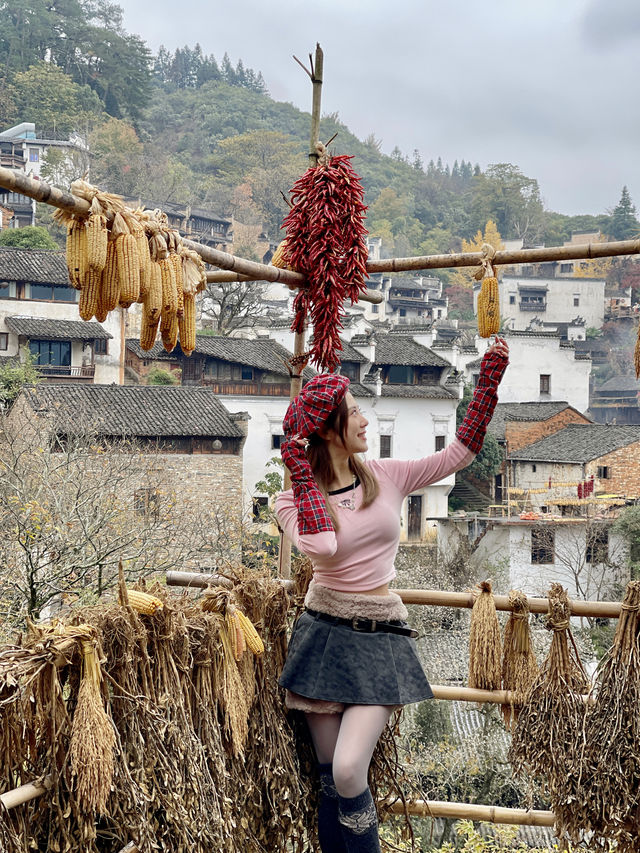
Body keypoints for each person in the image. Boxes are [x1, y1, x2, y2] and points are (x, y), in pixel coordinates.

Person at [275, 337, 509, 852]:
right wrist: (300, 471)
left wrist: (488, 377)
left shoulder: (389, 474)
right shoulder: (290, 499)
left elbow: (460, 453)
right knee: (327, 779)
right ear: (328, 430)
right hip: (324, 635)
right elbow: (324, 544)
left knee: (350, 770)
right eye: (355, 412)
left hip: (381, 636)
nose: (365, 420)